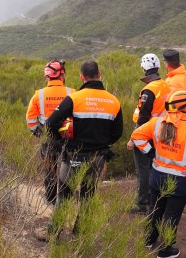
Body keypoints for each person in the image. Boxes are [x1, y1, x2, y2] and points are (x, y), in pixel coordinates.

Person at [36, 60, 123, 240]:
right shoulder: (114, 101)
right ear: (99, 75)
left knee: (65, 193)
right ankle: (80, 234)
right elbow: (117, 133)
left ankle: (54, 233)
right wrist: (101, 143)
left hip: (74, 155)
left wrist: (60, 142)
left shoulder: (75, 99)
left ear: (82, 77)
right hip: (98, 157)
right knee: (88, 195)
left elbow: (51, 123)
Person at [130, 88, 186, 258]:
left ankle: (148, 240)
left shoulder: (156, 123)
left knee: (155, 210)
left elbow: (137, 135)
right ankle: (165, 250)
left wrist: (150, 152)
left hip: (157, 177)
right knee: (172, 215)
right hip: (181, 182)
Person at [25, 60, 74, 204]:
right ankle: (66, 197)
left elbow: (30, 119)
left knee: (49, 167)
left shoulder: (38, 95)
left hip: (48, 136)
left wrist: (37, 132)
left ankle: (51, 198)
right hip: (68, 135)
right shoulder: (72, 92)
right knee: (69, 164)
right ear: (62, 75)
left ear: (47, 77)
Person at [126, 53, 170, 215]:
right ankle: (156, 200)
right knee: (155, 167)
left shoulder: (149, 90)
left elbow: (143, 117)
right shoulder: (164, 85)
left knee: (143, 170)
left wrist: (133, 138)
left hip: (147, 135)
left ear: (144, 68)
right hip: (162, 133)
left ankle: (143, 204)